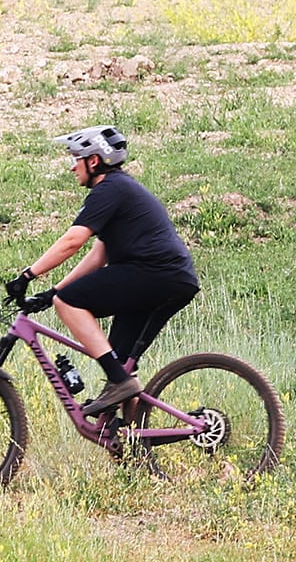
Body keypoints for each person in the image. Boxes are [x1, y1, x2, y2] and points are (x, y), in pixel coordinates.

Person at [16, 125, 199, 415]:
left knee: (69, 304)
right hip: (171, 279)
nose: (71, 167)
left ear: (94, 160)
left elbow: (72, 241)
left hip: (153, 274)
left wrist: (28, 275)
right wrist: (53, 291)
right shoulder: (121, 189)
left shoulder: (109, 189)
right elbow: (98, 255)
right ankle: (131, 440)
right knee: (120, 360)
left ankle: (118, 382)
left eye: (75, 158)